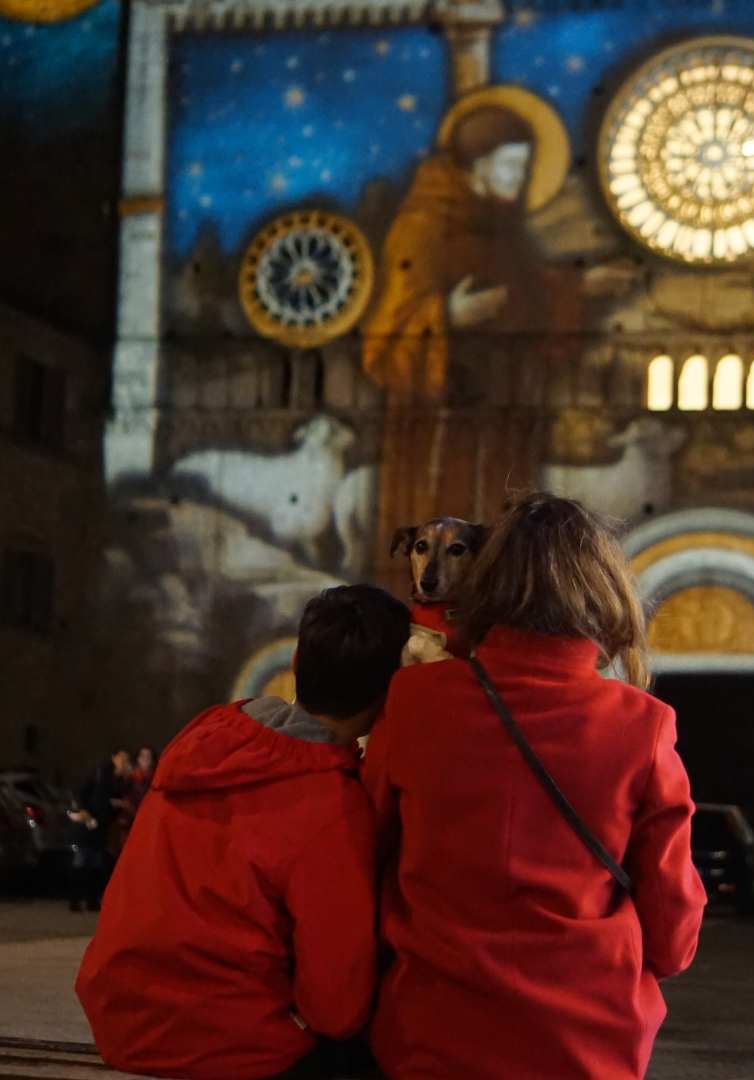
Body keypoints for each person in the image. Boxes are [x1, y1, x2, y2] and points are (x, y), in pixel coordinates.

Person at [362, 492, 706, 1080]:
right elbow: (673, 941)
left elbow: (367, 850)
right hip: (583, 1051)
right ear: (599, 591)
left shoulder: (415, 701)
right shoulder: (643, 727)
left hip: (430, 1039)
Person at [76, 585, 411, 1080]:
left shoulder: (208, 738)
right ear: (388, 695)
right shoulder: (332, 808)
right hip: (222, 1041)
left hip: (119, 1017)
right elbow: (335, 1009)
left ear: (296, 661)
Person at [363, 103, 638, 594]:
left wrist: (581, 285)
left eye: (524, 166)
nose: (521, 177)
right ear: (476, 167)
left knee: (496, 540)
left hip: (500, 420)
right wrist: (448, 316)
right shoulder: (424, 226)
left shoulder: (501, 228)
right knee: (446, 546)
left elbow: (524, 293)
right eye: (510, 166)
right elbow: (384, 340)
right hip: (440, 432)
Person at [67, 749, 132, 913]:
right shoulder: (100, 774)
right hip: (86, 823)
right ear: (114, 758)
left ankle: (91, 900)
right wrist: (83, 810)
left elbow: (110, 805)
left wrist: (116, 805)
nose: (124, 762)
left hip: (100, 828)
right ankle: (75, 900)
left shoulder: (120, 781)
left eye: (126, 760)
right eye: (121, 758)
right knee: (81, 862)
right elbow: (83, 793)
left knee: (96, 865)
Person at [129, 745, 156, 812]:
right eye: (142, 756)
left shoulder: (155, 777)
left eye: (148, 756)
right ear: (137, 758)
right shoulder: (130, 777)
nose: (145, 759)